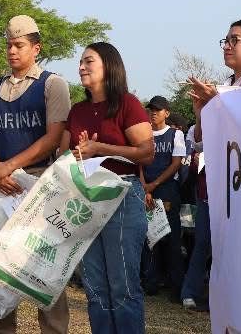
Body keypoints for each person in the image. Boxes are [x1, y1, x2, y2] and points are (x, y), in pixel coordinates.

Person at [0, 15, 72, 334]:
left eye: (19, 45)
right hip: (0, 183)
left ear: (36, 47)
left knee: (47, 263)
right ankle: (2, 327)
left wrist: (9, 167)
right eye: (9, 45)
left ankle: (54, 329)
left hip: (39, 181)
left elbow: (53, 136)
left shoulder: (52, 83)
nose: (12, 51)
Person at [58, 42, 154, 333]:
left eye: (89, 61)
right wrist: (77, 154)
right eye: (81, 62)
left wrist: (100, 148)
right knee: (96, 287)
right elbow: (64, 155)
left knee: (122, 285)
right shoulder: (77, 111)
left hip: (122, 194)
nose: (82, 67)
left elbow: (147, 152)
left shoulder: (127, 103)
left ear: (109, 66)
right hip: (86, 198)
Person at [182, 18, 241, 311]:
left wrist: (218, 100)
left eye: (235, 40)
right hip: (219, 183)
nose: (228, 46)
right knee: (216, 249)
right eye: (226, 41)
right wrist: (201, 114)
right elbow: (201, 144)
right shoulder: (225, 86)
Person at [141, 95, 187, 301]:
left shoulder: (175, 135)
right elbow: (139, 162)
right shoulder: (143, 134)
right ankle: (150, 282)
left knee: (171, 238)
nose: (153, 113)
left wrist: (154, 185)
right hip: (146, 189)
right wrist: (145, 188)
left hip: (167, 188)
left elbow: (176, 164)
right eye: (151, 109)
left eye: (157, 110)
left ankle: (176, 287)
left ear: (166, 113)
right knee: (148, 237)